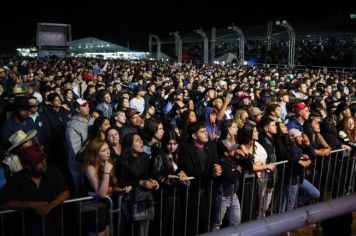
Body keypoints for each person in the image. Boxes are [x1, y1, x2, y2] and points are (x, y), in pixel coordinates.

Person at [0, 146, 70, 236]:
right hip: (28, 229)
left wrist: (50, 205)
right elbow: (4, 203)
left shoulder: (53, 171)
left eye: (44, 159)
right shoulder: (16, 179)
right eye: (38, 161)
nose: (44, 163)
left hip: (52, 227)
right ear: (28, 166)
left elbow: (65, 192)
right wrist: (30, 204)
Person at [179, 121, 222, 235]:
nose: (206, 133)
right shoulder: (186, 148)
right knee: (191, 226)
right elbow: (190, 170)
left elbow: (216, 163)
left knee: (205, 224)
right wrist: (211, 172)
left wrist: (218, 169)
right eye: (202, 132)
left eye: (206, 131)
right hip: (191, 194)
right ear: (194, 135)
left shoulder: (211, 146)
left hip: (208, 192)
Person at [82, 138, 130, 236]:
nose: (108, 152)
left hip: (106, 207)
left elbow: (110, 187)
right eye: (103, 150)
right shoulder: (90, 167)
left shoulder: (107, 163)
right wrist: (106, 172)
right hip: (94, 209)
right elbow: (102, 193)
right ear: (95, 153)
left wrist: (122, 190)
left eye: (108, 148)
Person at [119, 133, 159, 236]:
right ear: (130, 145)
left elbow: (148, 175)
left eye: (141, 140)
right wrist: (140, 182)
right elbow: (121, 181)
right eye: (137, 140)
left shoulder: (145, 157)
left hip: (145, 199)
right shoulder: (122, 160)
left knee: (144, 229)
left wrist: (153, 181)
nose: (141, 142)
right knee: (131, 230)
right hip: (129, 200)